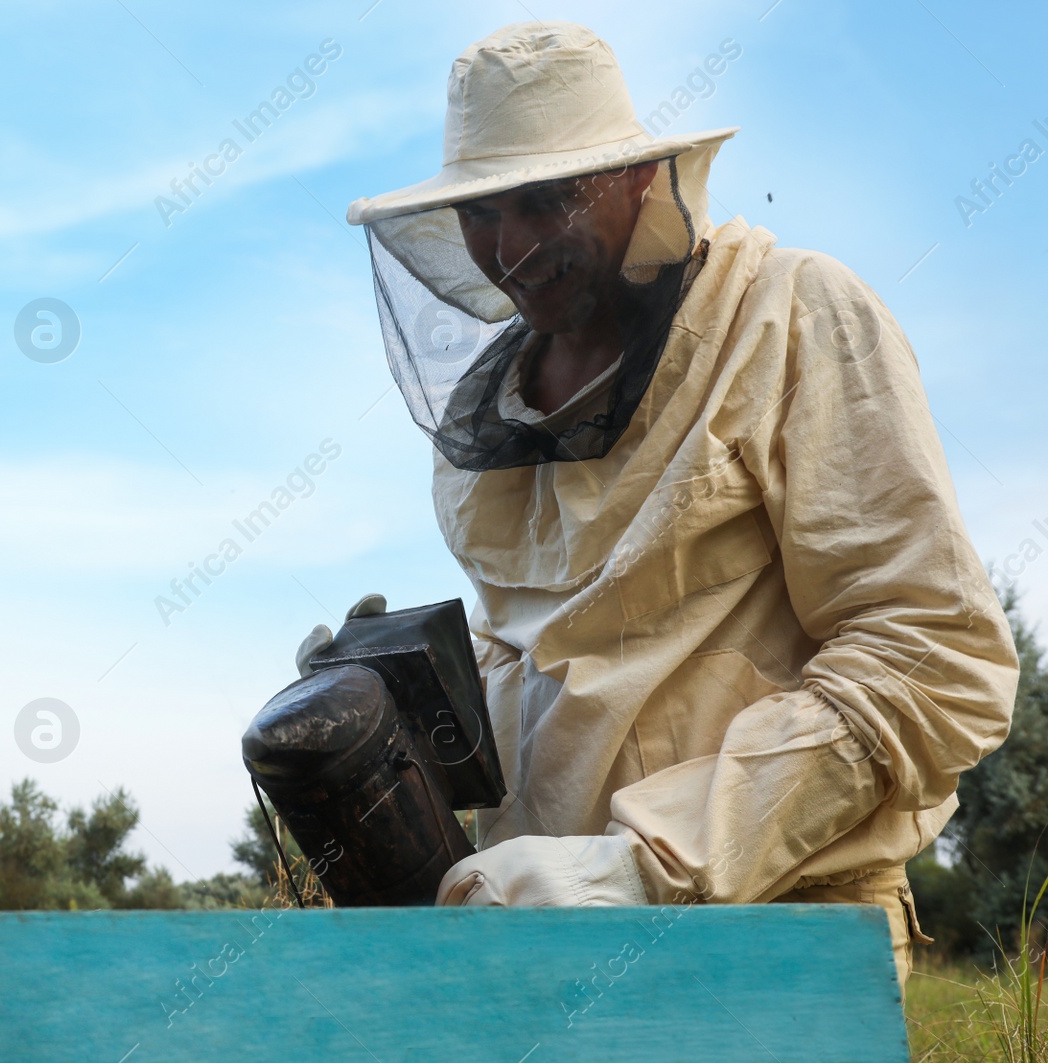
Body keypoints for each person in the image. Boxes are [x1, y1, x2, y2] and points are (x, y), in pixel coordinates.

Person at [300, 21, 1019, 988]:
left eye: (542, 200)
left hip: (779, 945)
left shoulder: (793, 315)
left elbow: (933, 655)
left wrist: (644, 864)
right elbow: (554, 654)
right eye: (480, 211)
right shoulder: (497, 415)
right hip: (544, 954)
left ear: (638, 180)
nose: (506, 249)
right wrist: (403, 696)